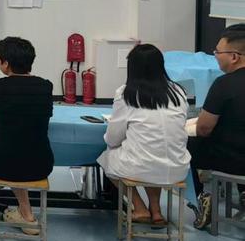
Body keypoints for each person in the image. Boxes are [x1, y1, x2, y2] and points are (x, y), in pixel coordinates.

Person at [0, 37, 54, 235]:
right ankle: (27, 216)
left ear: (5, 64)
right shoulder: (45, 87)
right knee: (20, 153)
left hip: (4, 164)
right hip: (41, 164)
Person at [97, 44, 190, 226]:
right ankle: (156, 211)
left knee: (107, 159)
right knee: (153, 158)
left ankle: (139, 208)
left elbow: (113, 138)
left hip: (142, 166)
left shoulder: (127, 94)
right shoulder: (178, 92)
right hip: (178, 167)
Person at [189, 23, 245, 229]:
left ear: (234, 57)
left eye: (217, 52)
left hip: (231, 159)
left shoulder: (224, 84)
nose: (215, 56)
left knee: (185, 146)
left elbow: (204, 128)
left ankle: (201, 199)